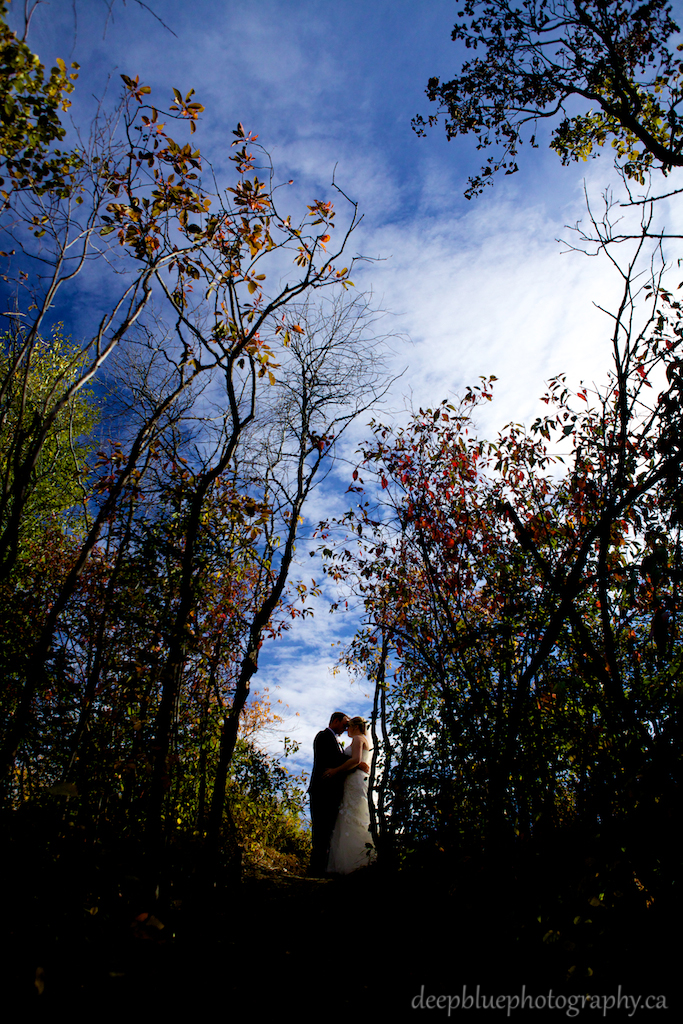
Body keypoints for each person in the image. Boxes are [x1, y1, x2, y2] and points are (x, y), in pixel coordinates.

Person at [308, 712, 369, 877]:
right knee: (320, 830)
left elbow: (342, 759)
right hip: (321, 790)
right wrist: (357, 765)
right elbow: (333, 759)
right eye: (344, 724)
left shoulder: (340, 742)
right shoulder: (323, 736)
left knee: (328, 831)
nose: (346, 727)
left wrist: (354, 764)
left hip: (333, 792)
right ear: (335, 721)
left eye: (349, 725)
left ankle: (321, 868)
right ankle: (316, 870)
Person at [326, 716, 376, 875]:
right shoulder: (365, 740)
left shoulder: (357, 739)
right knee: (359, 815)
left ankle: (352, 863)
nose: (346, 729)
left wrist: (335, 771)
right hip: (360, 780)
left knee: (351, 816)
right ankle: (364, 858)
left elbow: (355, 760)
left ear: (355, 727)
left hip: (354, 780)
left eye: (348, 726)